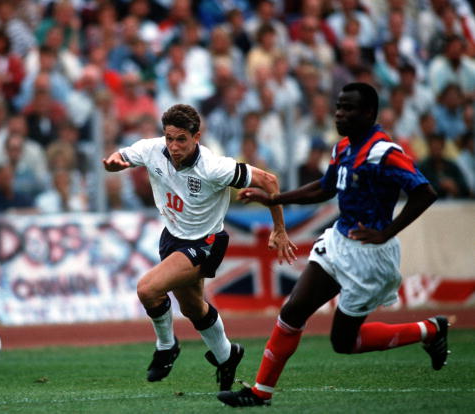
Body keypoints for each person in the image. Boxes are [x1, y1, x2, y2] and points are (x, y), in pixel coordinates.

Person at [217, 83, 449, 407]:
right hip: (339, 241)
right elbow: (326, 189)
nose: (340, 113)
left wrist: (386, 232)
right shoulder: (342, 148)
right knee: (293, 311)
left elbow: (425, 192)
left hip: (370, 256)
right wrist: (274, 198)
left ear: (369, 113)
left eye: (349, 108)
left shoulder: (385, 152)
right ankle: (260, 393)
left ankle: (429, 330)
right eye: (339, 106)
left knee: (344, 342)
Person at [102, 104, 296, 391]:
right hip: (172, 238)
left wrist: (279, 228)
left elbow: (270, 180)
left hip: (205, 243)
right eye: (169, 138)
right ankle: (227, 356)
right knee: (193, 308)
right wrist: (113, 162)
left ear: (197, 137)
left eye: (181, 139)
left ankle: (166, 346)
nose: (174, 146)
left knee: (147, 289)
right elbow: (122, 155)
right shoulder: (152, 150)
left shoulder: (214, 167)